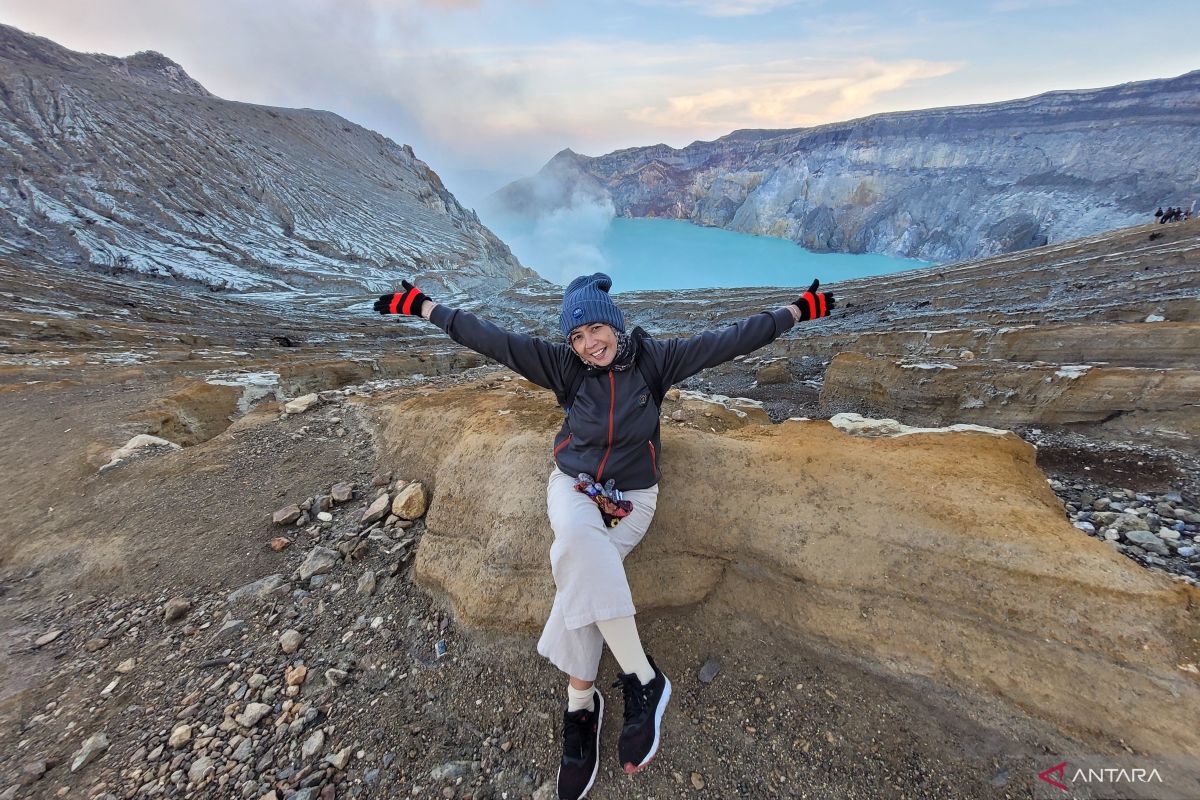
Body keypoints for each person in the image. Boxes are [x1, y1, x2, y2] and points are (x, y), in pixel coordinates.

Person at [374, 273, 835, 800]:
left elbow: (728, 339)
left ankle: (580, 707)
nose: (589, 344)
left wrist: (797, 311)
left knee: (582, 577)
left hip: (633, 498)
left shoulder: (654, 361)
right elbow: (492, 339)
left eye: (596, 328)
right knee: (574, 542)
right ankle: (643, 678)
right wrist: (425, 306)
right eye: (577, 336)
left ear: (614, 324)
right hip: (573, 484)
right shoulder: (563, 368)